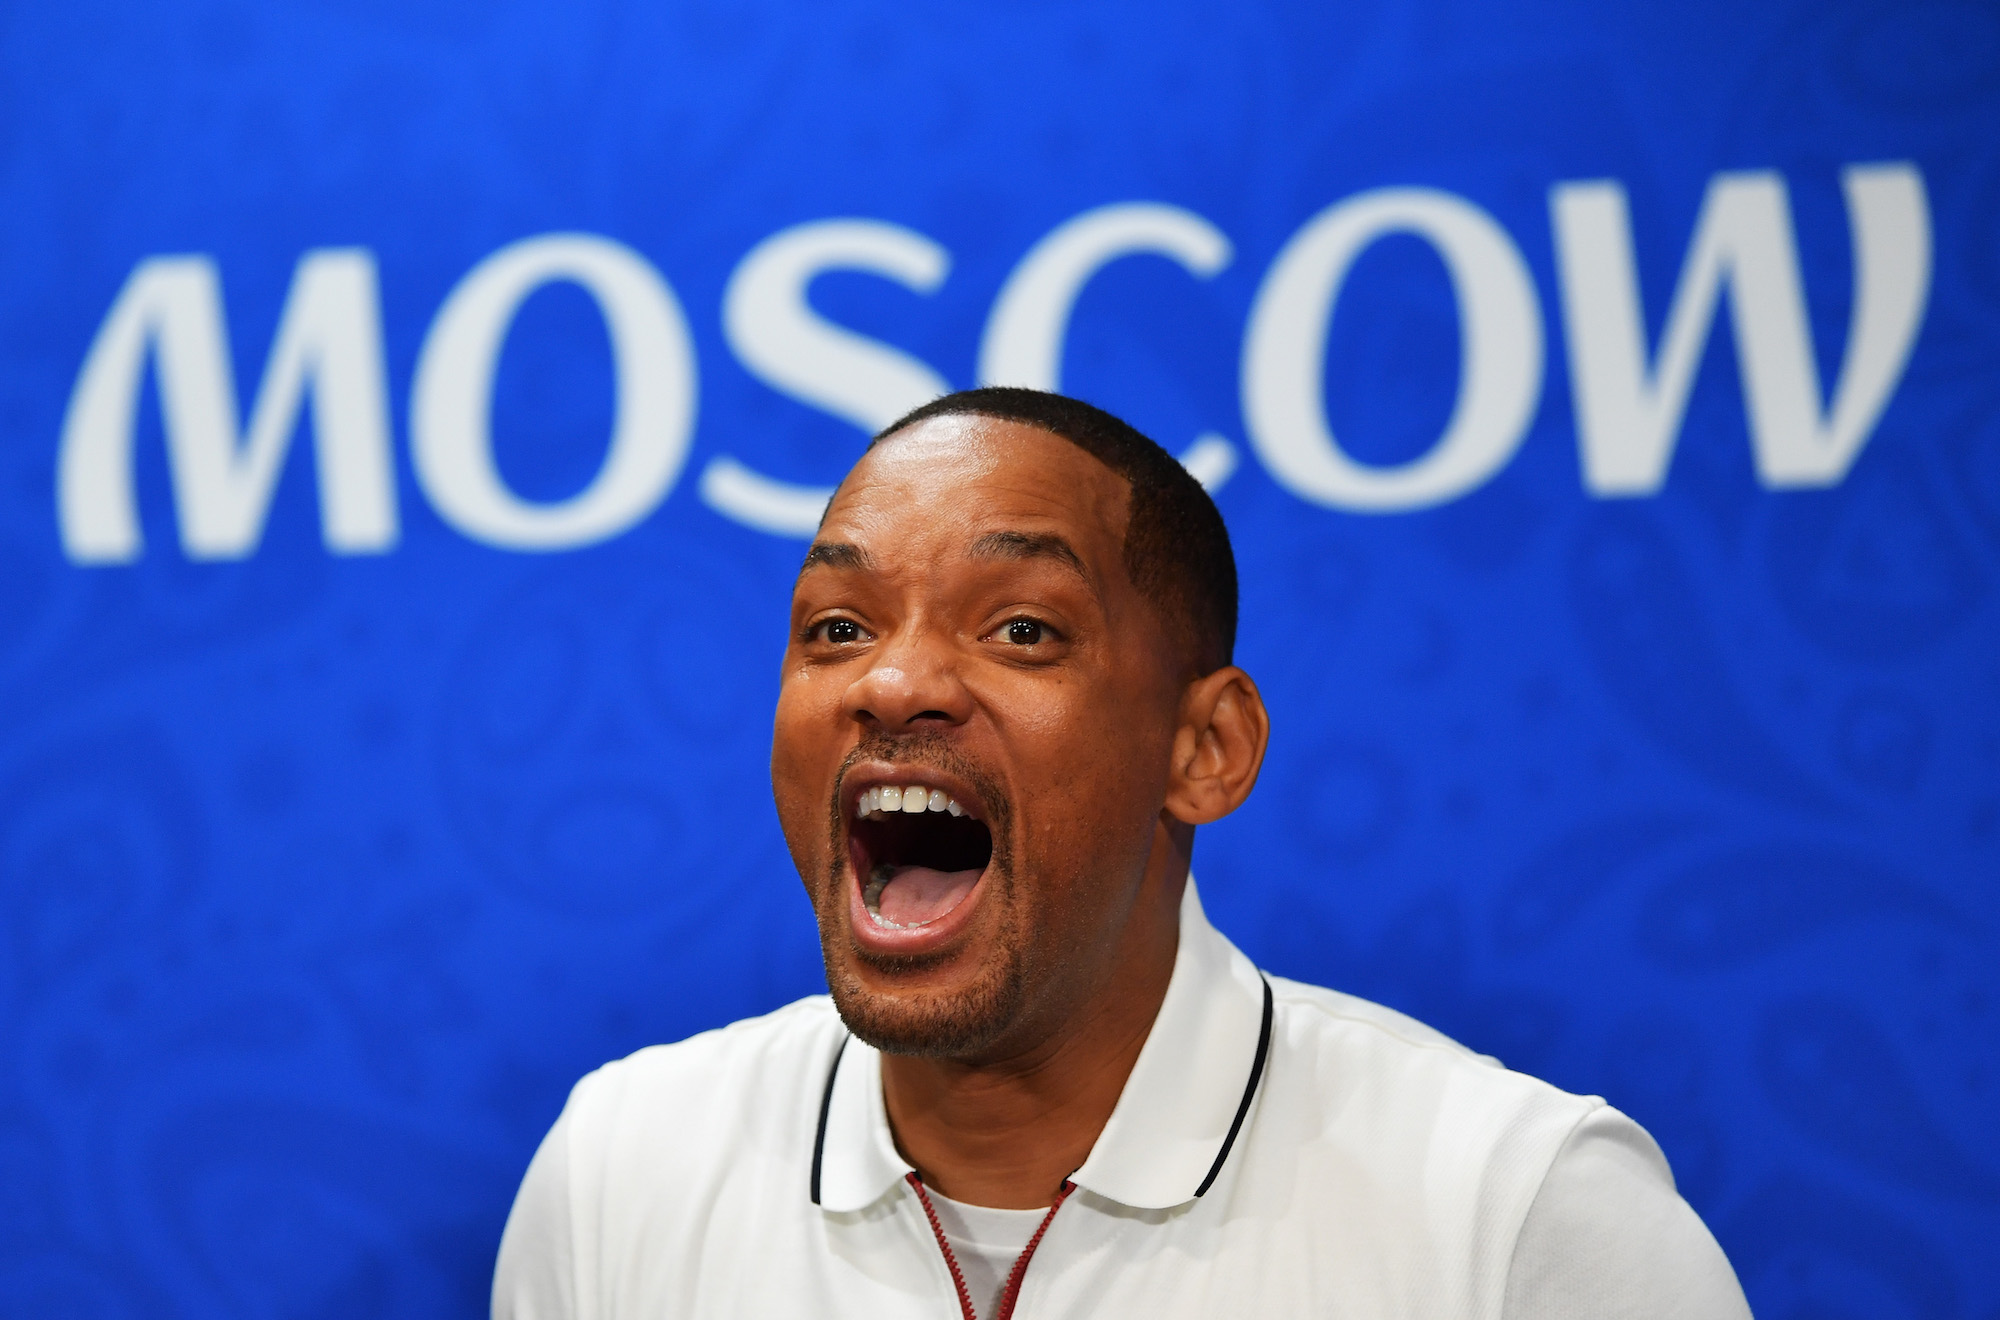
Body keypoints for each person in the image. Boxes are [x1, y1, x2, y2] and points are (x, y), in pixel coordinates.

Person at [492, 388, 1751, 1320]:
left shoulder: (1520, 1216)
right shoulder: (617, 1174)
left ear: (1204, 748)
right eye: (835, 625)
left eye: (1022, 628)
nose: (892, 680)